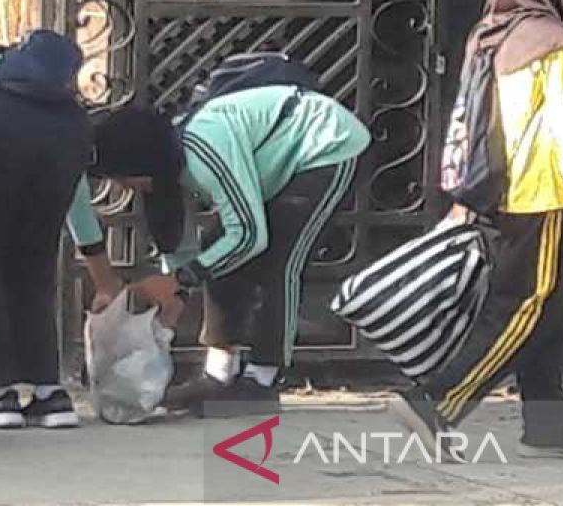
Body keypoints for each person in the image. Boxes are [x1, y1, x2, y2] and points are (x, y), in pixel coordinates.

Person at [389, 0, 563, 457]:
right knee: (522, 307)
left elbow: (470, 118)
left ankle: (548, 420)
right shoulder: (555, 42)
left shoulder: (488, 35)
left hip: (493, 190)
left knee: (549, 304)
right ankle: (435, 401)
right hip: (540, 194)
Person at [85, 84, 369, 417]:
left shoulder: (203, 150)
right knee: (217, 251)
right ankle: (219, 375)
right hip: (277, 163)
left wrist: (180, 280)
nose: (124, 187)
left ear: (141, 164)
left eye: (123, 178)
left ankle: (262, 381)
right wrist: (173, 294)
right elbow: (182, 246)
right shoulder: (166, 169)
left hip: (328, 145)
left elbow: (249, 235)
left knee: (279, 261)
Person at [0, 35, 121, 430]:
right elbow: (78, 200)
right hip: (66, 132)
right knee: (35, 268)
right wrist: (102, 271)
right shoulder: (59, 100)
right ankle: (51, 397)